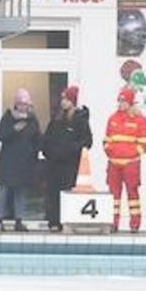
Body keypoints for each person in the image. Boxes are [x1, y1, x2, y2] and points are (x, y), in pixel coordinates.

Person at [40, 86, 92, 232]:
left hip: (69, 164)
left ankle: (65, 221)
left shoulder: (80, 120)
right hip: (53, 164)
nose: (63, 102)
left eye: (67, 99)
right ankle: (53, 221)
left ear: (73, 101)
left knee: (67, 193)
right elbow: (47, 139)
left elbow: (87, 142)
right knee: (52, 193)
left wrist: (70, 150)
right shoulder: (56, 119)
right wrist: (48, 152)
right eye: (63, 99)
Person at [0, 87, 42, 231]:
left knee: (21, 192)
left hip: (25, 162)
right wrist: (14, 130)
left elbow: (37, 139)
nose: (23, 107)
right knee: (4, 190)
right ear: (15, 104)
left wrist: (34, 155)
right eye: (21, 104)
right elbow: (1, 135)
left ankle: (19, 220)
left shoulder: (32, 120)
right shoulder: (8, 117)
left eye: (25, 105)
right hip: (8, 161)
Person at [103, 86, 146, 233]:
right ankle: (113, 223)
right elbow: (106, 140)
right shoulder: (112, 118)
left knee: (132, 194)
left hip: (131, 164)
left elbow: (144, 144)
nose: (121, 104)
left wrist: (131, 155)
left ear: (130, 103)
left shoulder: (140, 120)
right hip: (114, 163)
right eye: (119, 101)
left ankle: (135, 224)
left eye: (123, 101)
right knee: (114, 196)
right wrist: (110, 152)